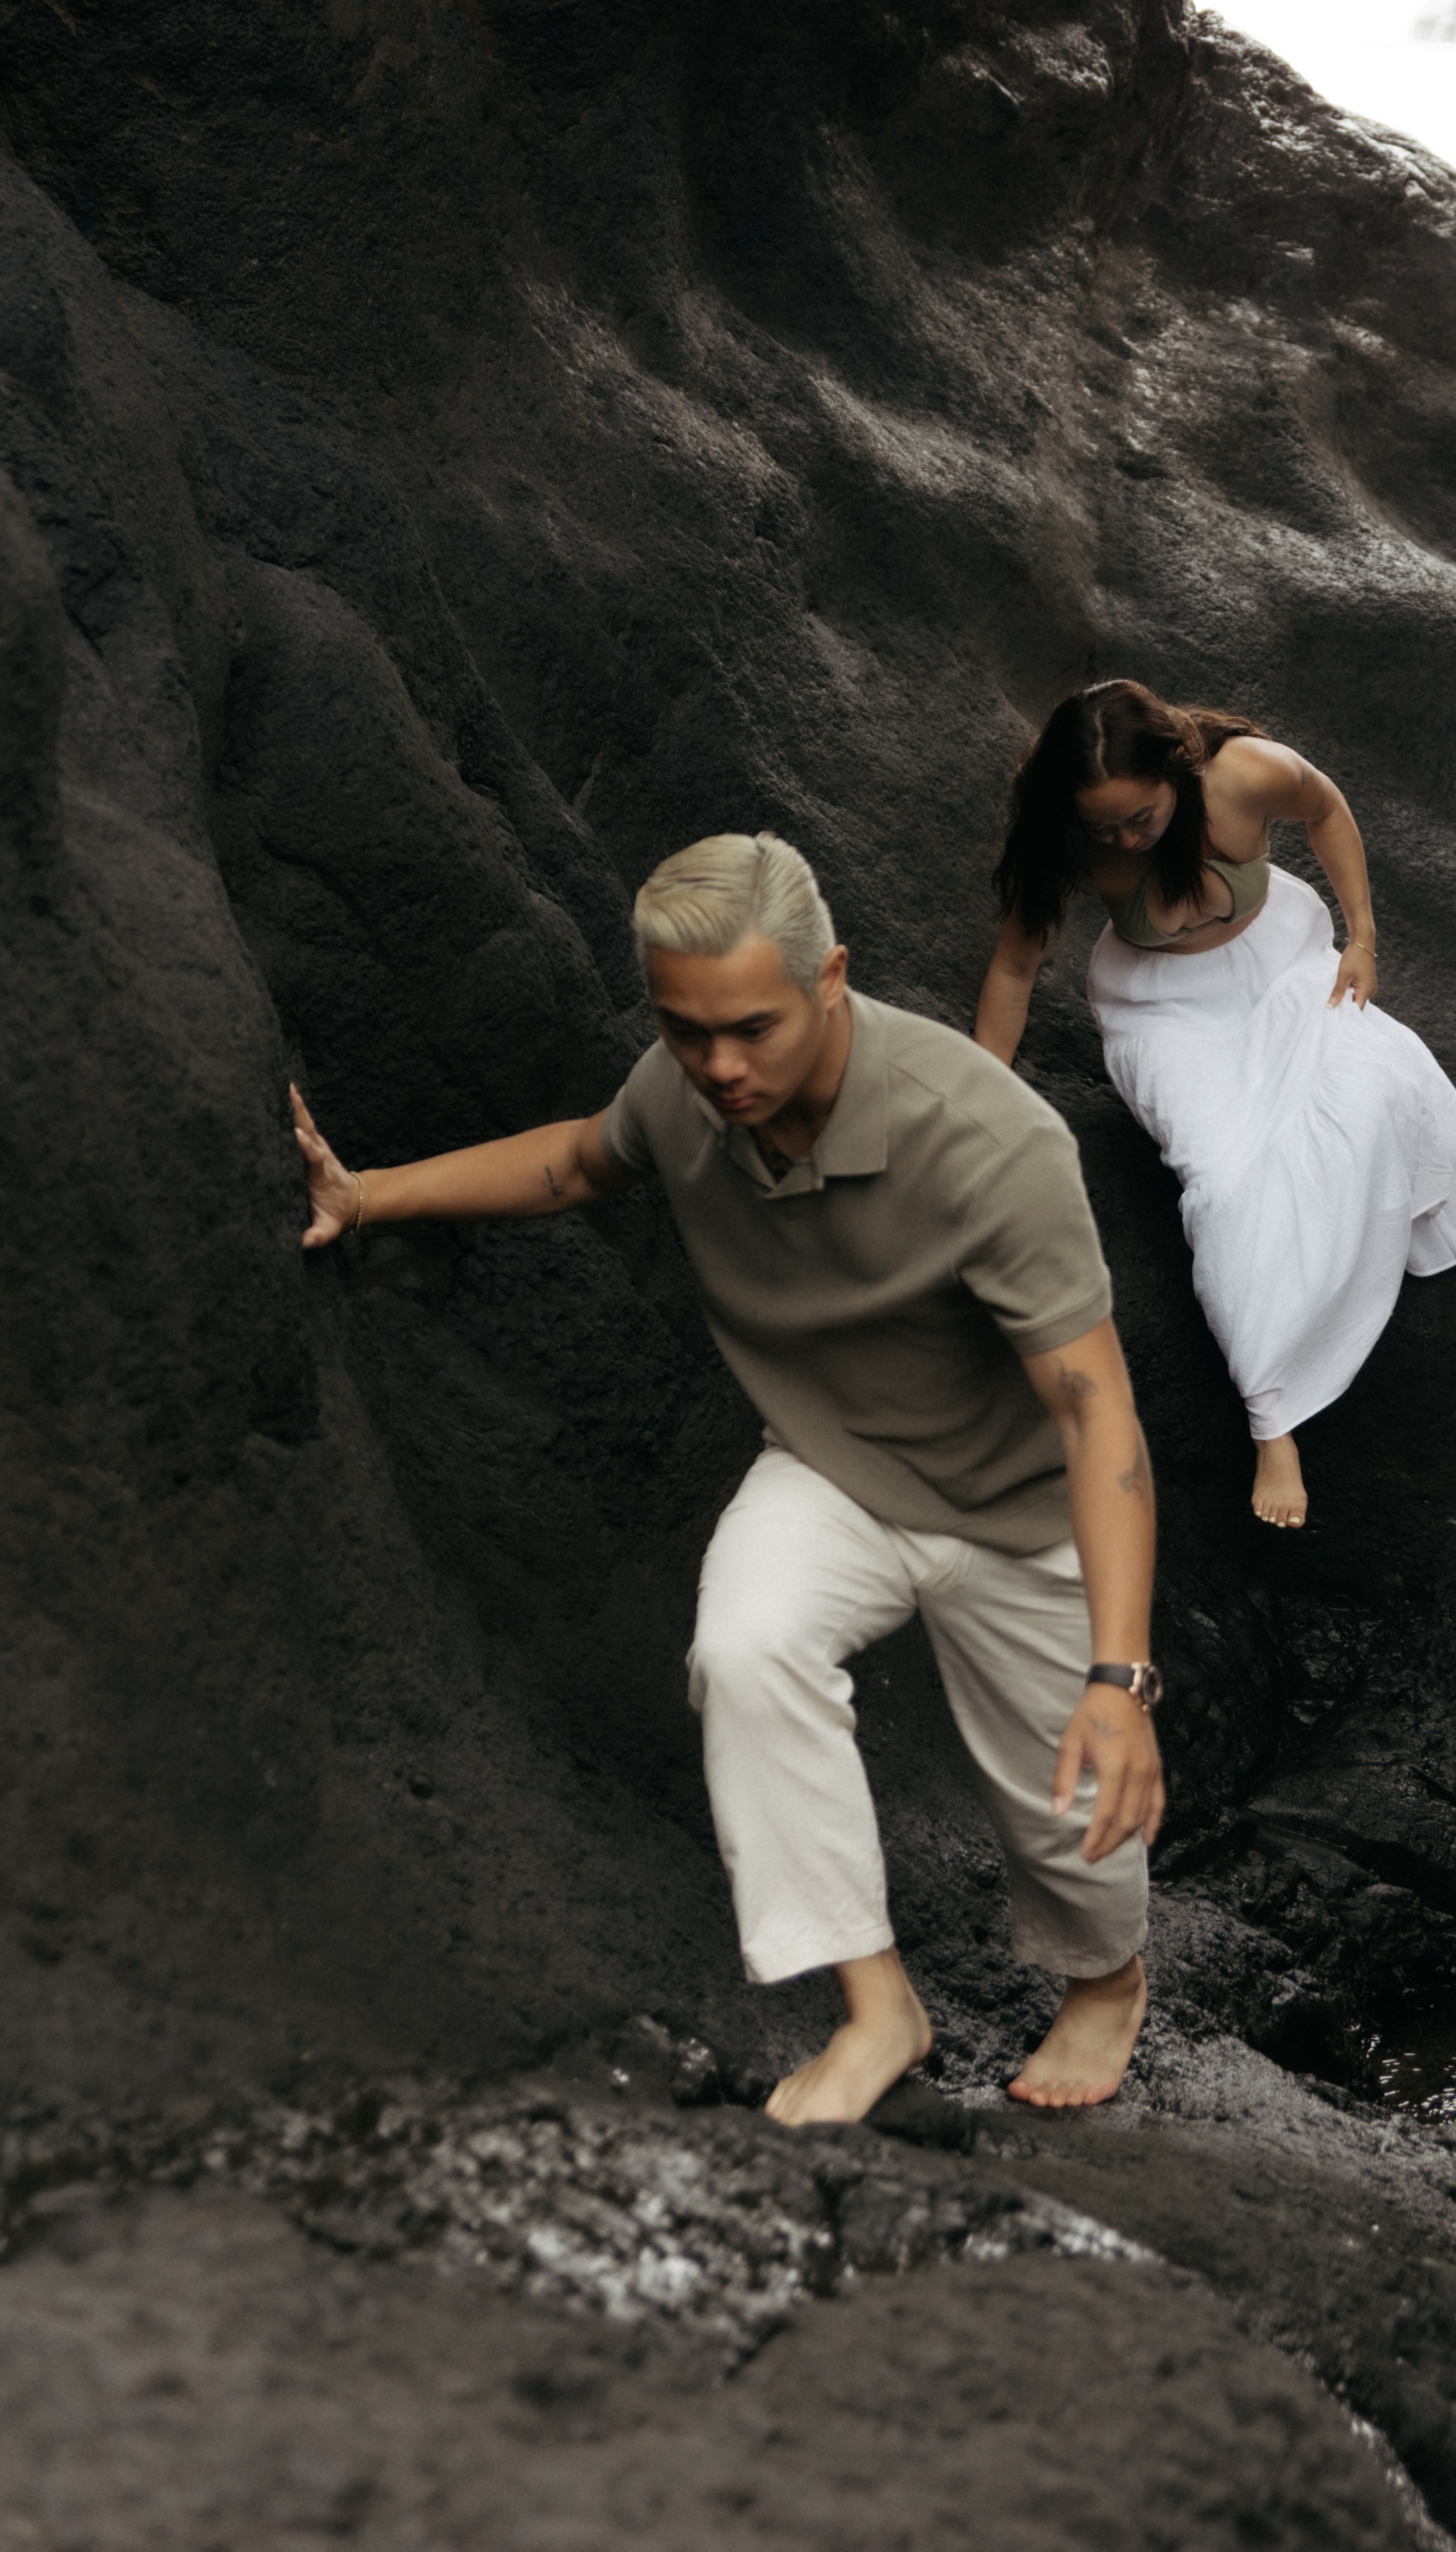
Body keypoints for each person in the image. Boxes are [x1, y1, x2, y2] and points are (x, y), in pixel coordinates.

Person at [290, 831, 1164, 2127]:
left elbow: (1099, 1414)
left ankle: (1110, 1983)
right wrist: (368, 1198)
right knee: (745, 1653)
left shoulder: (986, 1139)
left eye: (748, 1028)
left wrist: (1120, 1675)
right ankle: (881, 2009)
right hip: (832, 1471)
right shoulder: (686, 1089)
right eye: (684, 1030)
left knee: (1074, 1815)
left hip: (1013, 1508)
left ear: (833, 978)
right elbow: (584, 1160)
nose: (718, 1066)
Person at [975, 682, 1456, 1532]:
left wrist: (1363, 937)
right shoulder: (1067, 844)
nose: (1124, 840)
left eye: (1141, 818)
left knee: (1371, 1087)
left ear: (1177, 773)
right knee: (1225, 1186)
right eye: (1105, 829)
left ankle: (1364, 1231)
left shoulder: (1241, 775)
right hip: (1165, 1014)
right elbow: (1013, 970)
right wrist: (982, 1094)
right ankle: (1274, 1414)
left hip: (1286, 969)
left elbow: (1326, 809)